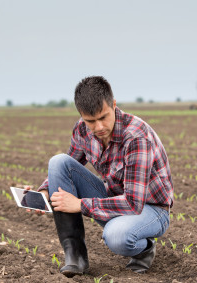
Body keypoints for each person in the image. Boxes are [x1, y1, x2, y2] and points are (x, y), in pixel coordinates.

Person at [28, 76, 174, 278]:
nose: (98, 127)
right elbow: (68, 166)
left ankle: (144, 248)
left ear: (114, 105)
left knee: (116, 236)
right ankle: (75, 256)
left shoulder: (136, 138)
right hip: (114, 199)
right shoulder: (81, 129)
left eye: (103, 117)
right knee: (58, 162)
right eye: (90, 121)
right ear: (81, 115)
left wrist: (80, 204)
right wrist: (44, 191)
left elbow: (133, 204)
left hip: (150, 208)